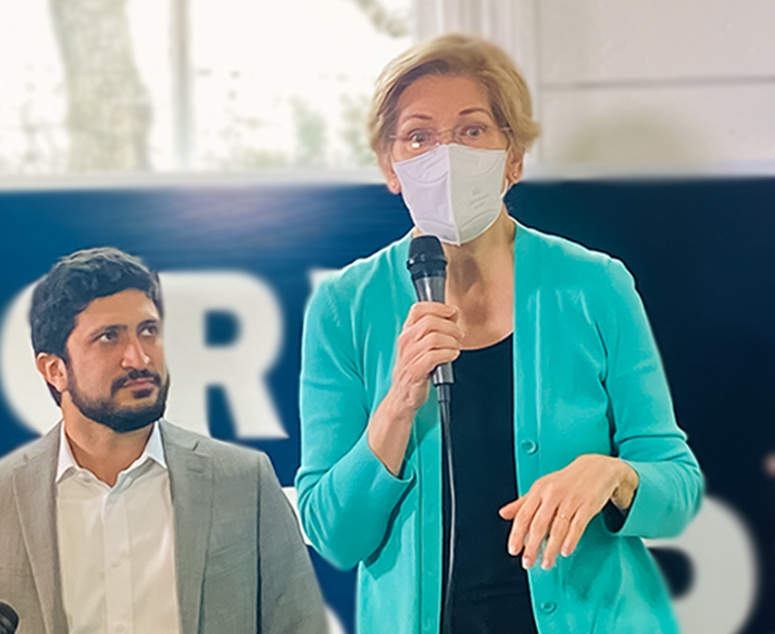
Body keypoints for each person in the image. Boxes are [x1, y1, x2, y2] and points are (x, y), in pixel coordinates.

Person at [295, 33, 703, 634]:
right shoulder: (343, 306)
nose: (446, 154)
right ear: (391, 167)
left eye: (472, 130)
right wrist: (398, 403)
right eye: (419, 136)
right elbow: (333, 535)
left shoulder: (594, 285)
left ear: (512, 158)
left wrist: (615, 475)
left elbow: (678, 485)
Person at [0, 247, 327, 634]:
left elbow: (299, 625)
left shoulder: (243, 482)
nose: (139, 358)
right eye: (108, 337)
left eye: (148, 331)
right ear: (54, 370)